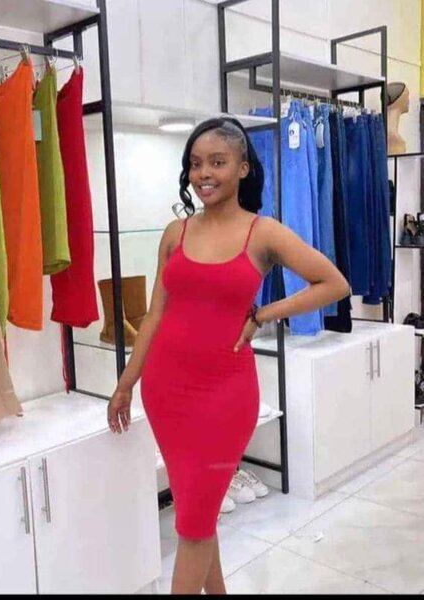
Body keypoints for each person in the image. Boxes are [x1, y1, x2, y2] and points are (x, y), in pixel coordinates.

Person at [107, 117, 350, 594]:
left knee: (194, 524)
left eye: (217, 162)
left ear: (243, 167)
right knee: (196, 513)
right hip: (165, 392)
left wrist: (264, 314)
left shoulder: (263, 233)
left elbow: (333, 283)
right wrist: (125, 383)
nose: (204, 174)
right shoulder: (175, 233)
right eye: (196, 164)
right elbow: (154, 316)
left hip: (225, 397)